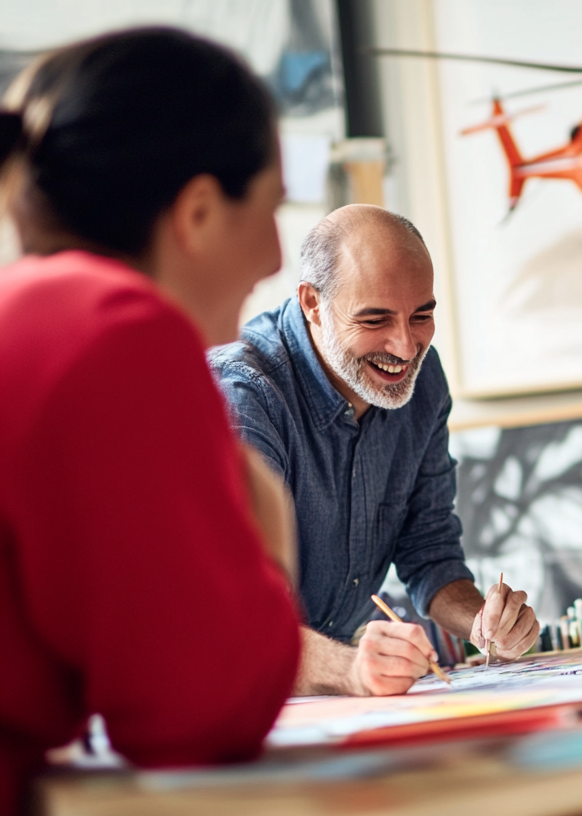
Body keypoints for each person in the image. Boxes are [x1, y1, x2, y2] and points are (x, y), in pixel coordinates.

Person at [0, 28, 301, 814]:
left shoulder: (31, 314)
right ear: (198, 212)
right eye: (271, 210)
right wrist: (265, 516)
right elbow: (201, 715)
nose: (275, 258)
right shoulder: (116, 331)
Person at [209, 204, 540, 697]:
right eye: (375, 319)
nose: (406, 348)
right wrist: (350, 670)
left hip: (324, 697)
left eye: (422, 315)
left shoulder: (422, 382)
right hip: (227, 692)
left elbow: (428, 553)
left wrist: (484, 624)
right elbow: (240, 617)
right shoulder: (243, 396)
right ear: (312, 304)